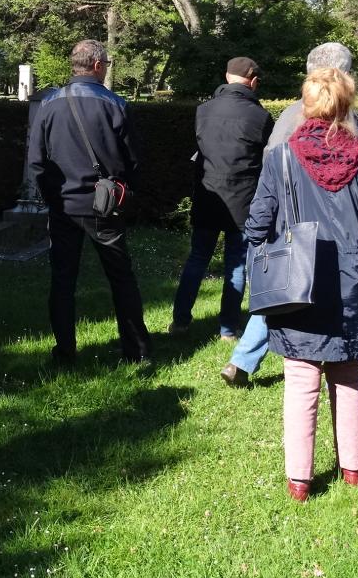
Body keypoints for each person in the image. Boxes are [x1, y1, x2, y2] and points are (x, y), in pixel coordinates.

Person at [243, 67, 358, 501]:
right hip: (352, 285)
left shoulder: (280, 158)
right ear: (346, 105)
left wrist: (259, 271)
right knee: (348, 376)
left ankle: (300, 481)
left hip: (298, 283)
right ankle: (353, 469)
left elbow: (256, 226)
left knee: (300, 380)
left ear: (306, 105)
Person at [223, 41, 358, 387]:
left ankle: (241, 361)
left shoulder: (289, 112)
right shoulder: (345, 117)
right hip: (326, 225)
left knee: (282, 288)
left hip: (284, 219)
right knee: (314, 295)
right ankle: (345, 374)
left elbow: (270, 163)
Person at [27, 39, 151, 365]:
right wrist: (125, 191)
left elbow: (36, 162)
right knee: (121, 278)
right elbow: (135, 159)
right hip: (104, 205)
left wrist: (53, 197)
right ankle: (137, 351)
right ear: (97, 66)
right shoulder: (115, 104)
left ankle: (64, 352)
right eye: (107, 65)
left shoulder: (48, 104)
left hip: (64, 207)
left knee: (63, 281)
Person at [170, 57, 273, 340]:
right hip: (243, 198)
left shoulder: (203, 111)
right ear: (252, 81)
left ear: (227, 77)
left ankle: (180, 320)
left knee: (197, 259)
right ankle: (228, 327)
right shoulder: (260, 117)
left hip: (208, 194)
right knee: (236, 264)